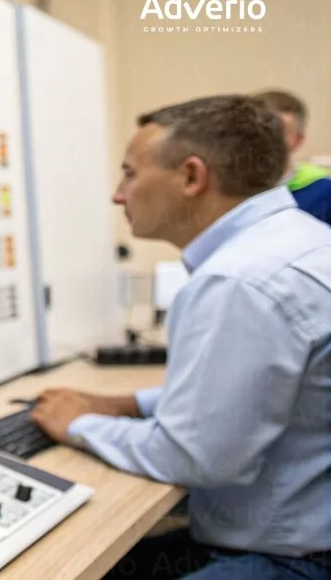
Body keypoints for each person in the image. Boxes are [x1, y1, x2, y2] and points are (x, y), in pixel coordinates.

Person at [30, 95, 331, 579]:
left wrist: (77, 425)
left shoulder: (240, 281)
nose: (118, 195)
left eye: (130, 174)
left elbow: (194, 456)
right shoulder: (297, 242)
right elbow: (255, 391)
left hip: (292, 561)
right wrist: (125, 404)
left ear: (192, 177)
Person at [253, 89, 331, 224]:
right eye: (256, 130)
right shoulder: (224, 188)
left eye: (278, 132)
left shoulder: (323, 192)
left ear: (298, 140)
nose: (265, 139)